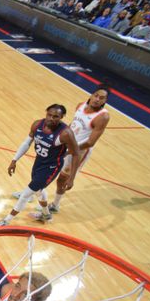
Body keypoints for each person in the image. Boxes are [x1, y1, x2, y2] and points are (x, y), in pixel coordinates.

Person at [0, 104, 78, 226]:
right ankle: (46, 214)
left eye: (56, 116)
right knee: (38, 190)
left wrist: (72, 177)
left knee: (26, 194)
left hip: (51, 167)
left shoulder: (65, 133)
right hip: (39, 162)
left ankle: (6, 220)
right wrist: (14, 160)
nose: (51, 118)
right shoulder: (37, 124)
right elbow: (27, 142)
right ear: (46, 113)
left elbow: (76, 153)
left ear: (62, 117)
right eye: (49, 115)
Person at [46, 87, 110, 215]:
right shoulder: (80, 105)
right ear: (91, 95)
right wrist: (60, 137)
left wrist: (70, 149)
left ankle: (55, 205)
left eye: (101, 98)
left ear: (105, 101)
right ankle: (32, 192)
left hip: (79, 151)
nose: (97, 99)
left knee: (62, 179)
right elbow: (73, 125)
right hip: (67, 145)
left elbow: (90, 142)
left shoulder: (103, 117)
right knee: (46, 169)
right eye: (96, 95)